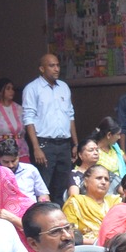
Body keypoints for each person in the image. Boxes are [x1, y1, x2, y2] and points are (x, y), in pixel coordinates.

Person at [21, 52, 76, 203]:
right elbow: (28, 118)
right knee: (43, 186)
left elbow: (70, 115)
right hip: (44, 144)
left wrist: (75, 143)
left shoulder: (64, 87)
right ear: (42, 69)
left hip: (64, 144)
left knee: (62, 185)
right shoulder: (32, 88)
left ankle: (59, 215)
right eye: (52, 66)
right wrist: (36, 148)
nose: (56, 69)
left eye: (58, 65)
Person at [0, 76, 27, 161]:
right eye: (8, 89)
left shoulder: (19, 109)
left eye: (12, 89)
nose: (12, 91)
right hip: (1, 150)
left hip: (20, 148)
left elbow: (24, 130)